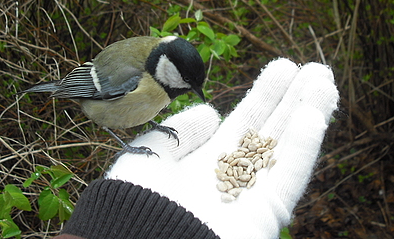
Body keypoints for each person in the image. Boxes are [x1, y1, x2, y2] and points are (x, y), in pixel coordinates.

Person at [53, 58, 339, 239]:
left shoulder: (158, 81)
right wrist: (122, 200)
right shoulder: (133, 74)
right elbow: (93, 92)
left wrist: (102, 224)